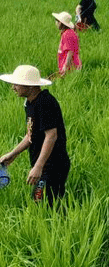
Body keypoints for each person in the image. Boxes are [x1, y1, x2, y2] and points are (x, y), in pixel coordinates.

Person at [0, 65, 71, 205]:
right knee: (41, 202)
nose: (13, 87)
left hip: (52, 165)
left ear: (30, 86)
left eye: (17, 84)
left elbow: (51, 136)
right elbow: (30, 135)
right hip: (43, 164)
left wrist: (38, 166)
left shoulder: (45, 103)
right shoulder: (30, 103)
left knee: (46, 204)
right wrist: (13, 154)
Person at [53, 12, 81, 76]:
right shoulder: (68, 32)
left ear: (61, 23)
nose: (56, 23)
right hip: (70, 66)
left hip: (71, 68)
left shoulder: (68, 34)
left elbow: (70, 52)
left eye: (57, 21)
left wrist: (65, 67)